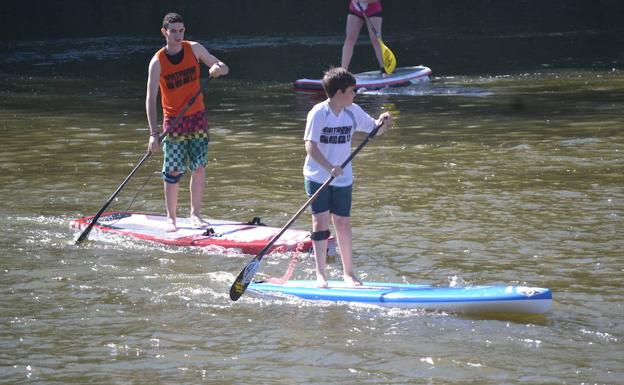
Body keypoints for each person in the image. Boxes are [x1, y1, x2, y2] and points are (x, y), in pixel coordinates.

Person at [303, 67, 392, 288]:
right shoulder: (318, 113)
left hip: (343, 178)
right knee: (320, 221)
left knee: (342, 222)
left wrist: (383, 122)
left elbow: (374, 130)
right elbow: (310, 147)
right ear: (340, 93)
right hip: (317, 175)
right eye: (353, 90)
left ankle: (348, 273)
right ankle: (321, 274)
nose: (355, 93)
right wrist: (329, 167)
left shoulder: (353, 111)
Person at [146, 12, 229, 232]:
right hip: (173, 121)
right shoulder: (157, 62)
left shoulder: (194, 49)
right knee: (173, 171)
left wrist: (217, 68)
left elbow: (223, 66)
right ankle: (171, 218)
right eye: (173, 31)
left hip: (197, 118)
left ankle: (195, 214)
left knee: (199, 167)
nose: (178, 35)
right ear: (164, 32)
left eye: (181, 30)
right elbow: (150, 99)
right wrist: (153, 134)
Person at [341, 0, 385, 73]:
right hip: (355, 10)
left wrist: (362, 0)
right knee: (349, 39)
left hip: (373, 10)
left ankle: (384, 69)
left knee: (376, 40)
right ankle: (343, 72)